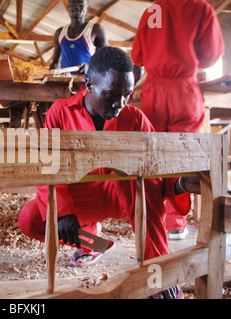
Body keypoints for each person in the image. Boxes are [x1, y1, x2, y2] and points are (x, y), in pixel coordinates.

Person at [18, 47, 199, 299]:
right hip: (84, 197)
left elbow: (155, 170)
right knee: (31, 219)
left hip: (122, 197)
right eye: (112, 94)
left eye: (127, 94)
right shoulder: (60, 112)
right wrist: (62, 210)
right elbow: (49, 166)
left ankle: (157, 267)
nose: (120, 104)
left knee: (141, 181)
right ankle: (91, 240)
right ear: (89, 84)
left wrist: (180, 183)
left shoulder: (135, 119)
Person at [131, 0, 224, 239]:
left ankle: (151, 216)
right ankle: (175, 220)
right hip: (184, 88)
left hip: (154, 91)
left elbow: (138, 56)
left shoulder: (153, 10)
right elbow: (211, 57)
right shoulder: (201, 9)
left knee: (153, 153)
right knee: (182, 155)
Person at [50, 0, 108, 75]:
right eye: (73, 3)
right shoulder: (60, 33)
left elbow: (106, 58)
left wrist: (89, 67)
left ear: (87, 7)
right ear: (68, 7)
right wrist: (50, 77)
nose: (76, 7)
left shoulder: (96, 30)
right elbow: (55, 63)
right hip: (66, 84)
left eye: (81, 3)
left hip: (89, 84)